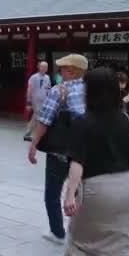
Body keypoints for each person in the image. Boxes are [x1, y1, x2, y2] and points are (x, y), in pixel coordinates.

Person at [62, 68, 129, 256]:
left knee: (78, 241)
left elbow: (77, 163)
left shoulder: (83, 121)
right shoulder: (125, 120)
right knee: (120, 243)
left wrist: (69, 195)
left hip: (96, 190)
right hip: (127, 189)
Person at [28, 54, 87, 244]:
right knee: (79, 191)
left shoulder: (59, 91)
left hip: (60, 150)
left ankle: (58, 232)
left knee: (52, 193)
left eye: (62, 69)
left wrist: (33, 145)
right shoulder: (93, 91)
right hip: (85, 151)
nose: (59, 72)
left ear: (71, 70)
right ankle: (78, 231)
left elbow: (44, 121)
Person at [24, 62, 51, 141]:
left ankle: (27, 133)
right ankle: (39, 135)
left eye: (46, 67)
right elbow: (29, 89)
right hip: (35, 99)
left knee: (35, 117)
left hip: (44, 100)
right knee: (39, 116)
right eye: (42, 67)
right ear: (39, 67)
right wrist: (28, 101)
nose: (44, 68)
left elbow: (48, 88)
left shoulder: (47, 77)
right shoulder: (34, 77)